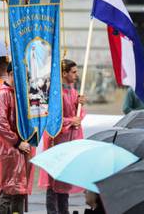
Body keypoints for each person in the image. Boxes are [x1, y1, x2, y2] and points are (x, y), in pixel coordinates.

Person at [39, 59, 86, 214]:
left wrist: (80, 105)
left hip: (69, 143)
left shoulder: (73, 91)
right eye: (73, 72)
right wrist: (71, 121)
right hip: (56, 142)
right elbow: (52, 118)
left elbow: (77, 116)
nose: (76, 75)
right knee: (53, 182)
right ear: (64, 73)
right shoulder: (55, 93)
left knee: (64, 181)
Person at [0, 63, 35, 214]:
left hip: (23, 150)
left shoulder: (21, 95)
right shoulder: (2, 94)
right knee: (7, 192)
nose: (25, 79)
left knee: (20, 192)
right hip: (8, 150)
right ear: (12, 73)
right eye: (23, 75)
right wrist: (17, 142)